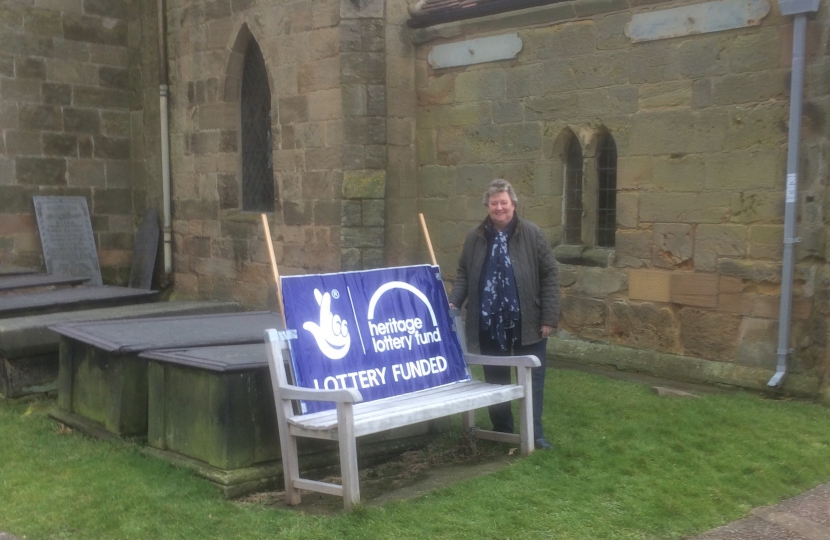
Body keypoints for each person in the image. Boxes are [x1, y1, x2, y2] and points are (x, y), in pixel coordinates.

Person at [448, 179, 559, 450]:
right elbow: (464, 273)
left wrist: (549, 317)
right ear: (487, 205)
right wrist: (453, 302)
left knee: (532, 379)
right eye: (494, 203)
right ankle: (503, 432)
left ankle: (534, 434)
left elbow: (550, 275)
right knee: (495, 380)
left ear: (514, 205)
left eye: (504, 203)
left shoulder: (532, 234)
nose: (499, 208)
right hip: (489, 321)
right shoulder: (474, 237)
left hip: (528, 321)